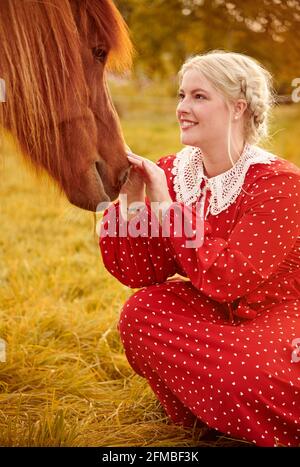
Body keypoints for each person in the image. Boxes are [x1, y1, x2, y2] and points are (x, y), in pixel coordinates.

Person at [99, 50, 300, 447]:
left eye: (198, 97)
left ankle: (237, 414)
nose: (182, 108)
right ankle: (214, 414)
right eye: (180, 95)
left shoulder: (279, 184)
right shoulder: (175, 171)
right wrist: (137, 202)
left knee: (248, 370)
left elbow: (230, 277)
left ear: (238, 107)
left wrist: (168, 209)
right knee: (141, 313)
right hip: (214, 311)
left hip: (280, 312)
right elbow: (141, 272)